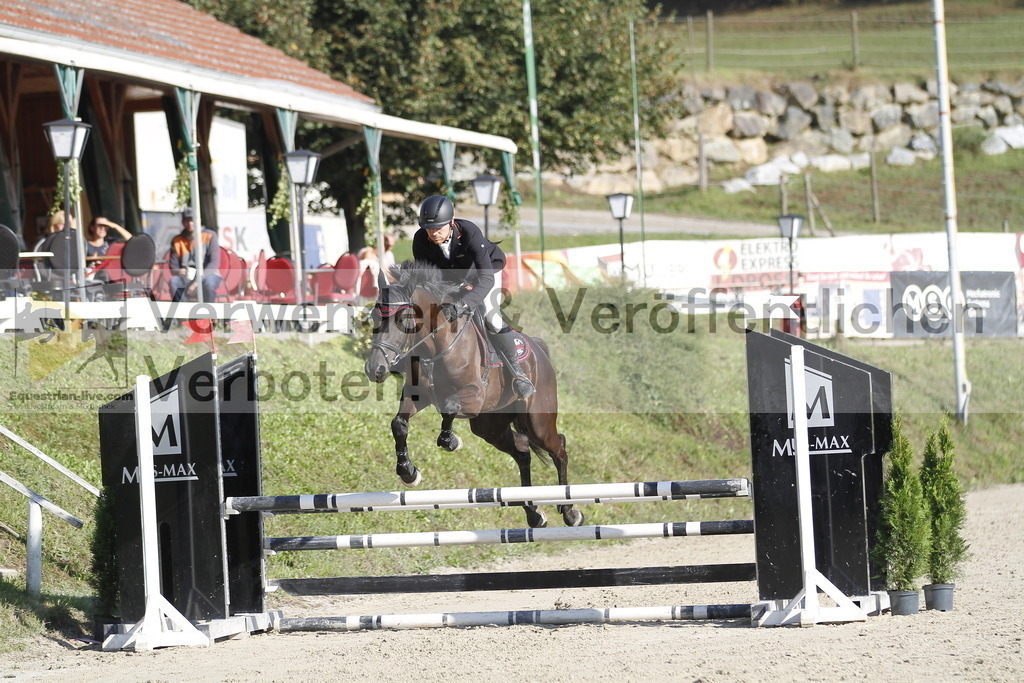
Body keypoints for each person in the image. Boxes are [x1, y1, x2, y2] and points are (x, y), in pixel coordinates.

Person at [412, 195, 534, 400]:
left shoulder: (469, 232)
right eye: (428, 228)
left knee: (491, 318)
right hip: (453, 279)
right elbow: (427, 279)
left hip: (486, 272)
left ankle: (518, 373)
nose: (433, 233)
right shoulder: (420, 239)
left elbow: (486, 278)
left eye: (438, 228)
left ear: (451, 222)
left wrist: (464, 304)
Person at [168, 208, 222, 302]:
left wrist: (197, 281)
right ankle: (182, 314)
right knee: (174, 282)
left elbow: (214, 264)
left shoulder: (210, 236)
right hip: (187, 277)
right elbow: (173, 268)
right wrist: (180, 271)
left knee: (209, 283)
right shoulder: (177, 240)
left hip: (207, 274)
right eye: (187, 221)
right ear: (182, 222)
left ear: (199, 220)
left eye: (192, 220)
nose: (190, 224)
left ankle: (208, 314)